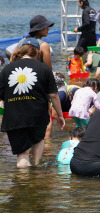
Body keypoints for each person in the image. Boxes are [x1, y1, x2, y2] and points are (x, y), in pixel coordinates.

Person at [0, 39, 65, 167]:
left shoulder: (7, 70)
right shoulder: (44, 69)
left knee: (22, 154)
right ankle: (35, 172)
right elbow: (53, 95)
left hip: (14, 117)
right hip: (38, 115)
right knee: (38, 140)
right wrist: (60, 115)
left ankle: (24, 182)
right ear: (37, 53)